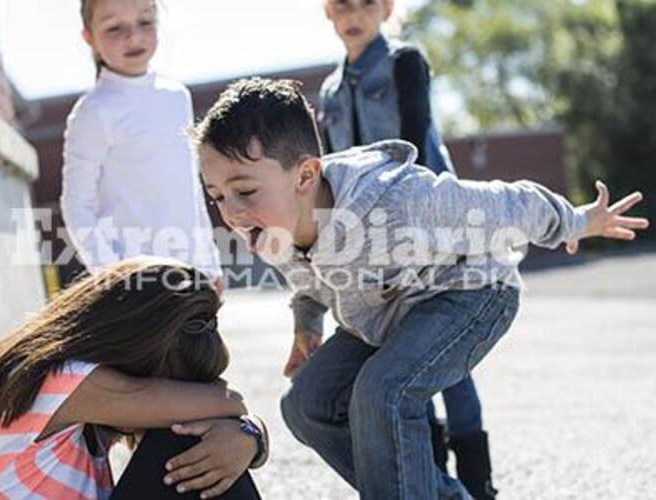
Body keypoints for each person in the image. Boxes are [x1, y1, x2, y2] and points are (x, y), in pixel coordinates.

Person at [193, 78, 648, 499]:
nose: (230, 213)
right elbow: (307, 281)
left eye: (245, 191)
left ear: (306, 177)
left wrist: (577, 221)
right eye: (216, 196)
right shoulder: (273, 228)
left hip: (470, 293)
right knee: (306, 404)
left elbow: (507, 204)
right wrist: (306, 324)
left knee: (383, 391)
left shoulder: (397, 201)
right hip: (385, 312)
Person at [317, 0, 492, 496]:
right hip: (370, 251)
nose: (353, 14)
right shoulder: (329, 91)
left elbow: (416, 143)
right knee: (405, 364)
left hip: (429, 232)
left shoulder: (403, 62)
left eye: (365, 3)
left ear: (386, 8)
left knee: (449, 363)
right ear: (328, 12)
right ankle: (433, 481)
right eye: (340, 4)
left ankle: (479, 487)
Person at [0, 257, 267, 499]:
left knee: (202, 443)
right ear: (134, 352)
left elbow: (227, 410)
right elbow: (230, 402)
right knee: (185, 437)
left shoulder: (74, 393)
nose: (169, 397)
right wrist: (245, 432)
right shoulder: (64, 378)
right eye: (168, 385)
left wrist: (249, 437)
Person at [61, 0, 223, 292]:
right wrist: (112, 276)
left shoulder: (177, 97)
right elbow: (77, 205)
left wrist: (210, 263)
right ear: (89, 38)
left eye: (145, 22)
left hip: (192, 273)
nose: (133, 37)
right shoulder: (93, 111)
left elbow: (190, 188)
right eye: (114, 28)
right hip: (136, 283)